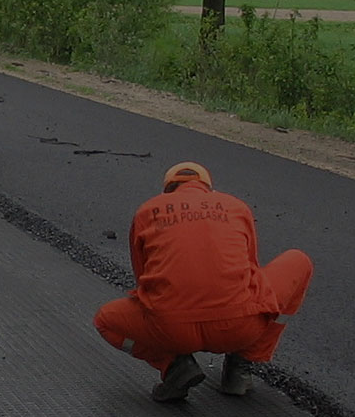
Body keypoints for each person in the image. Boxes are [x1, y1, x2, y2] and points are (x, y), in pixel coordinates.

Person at [92, 162, 315, 402]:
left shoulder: (148, 211)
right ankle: (241, 366)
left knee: (106, 322)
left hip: (171, 330)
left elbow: (142, 278)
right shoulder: (236, 207)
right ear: (208, 188)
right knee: (299, 262)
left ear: (168, 190)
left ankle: (175, 366)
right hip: (240, 329)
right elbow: (252, 270)